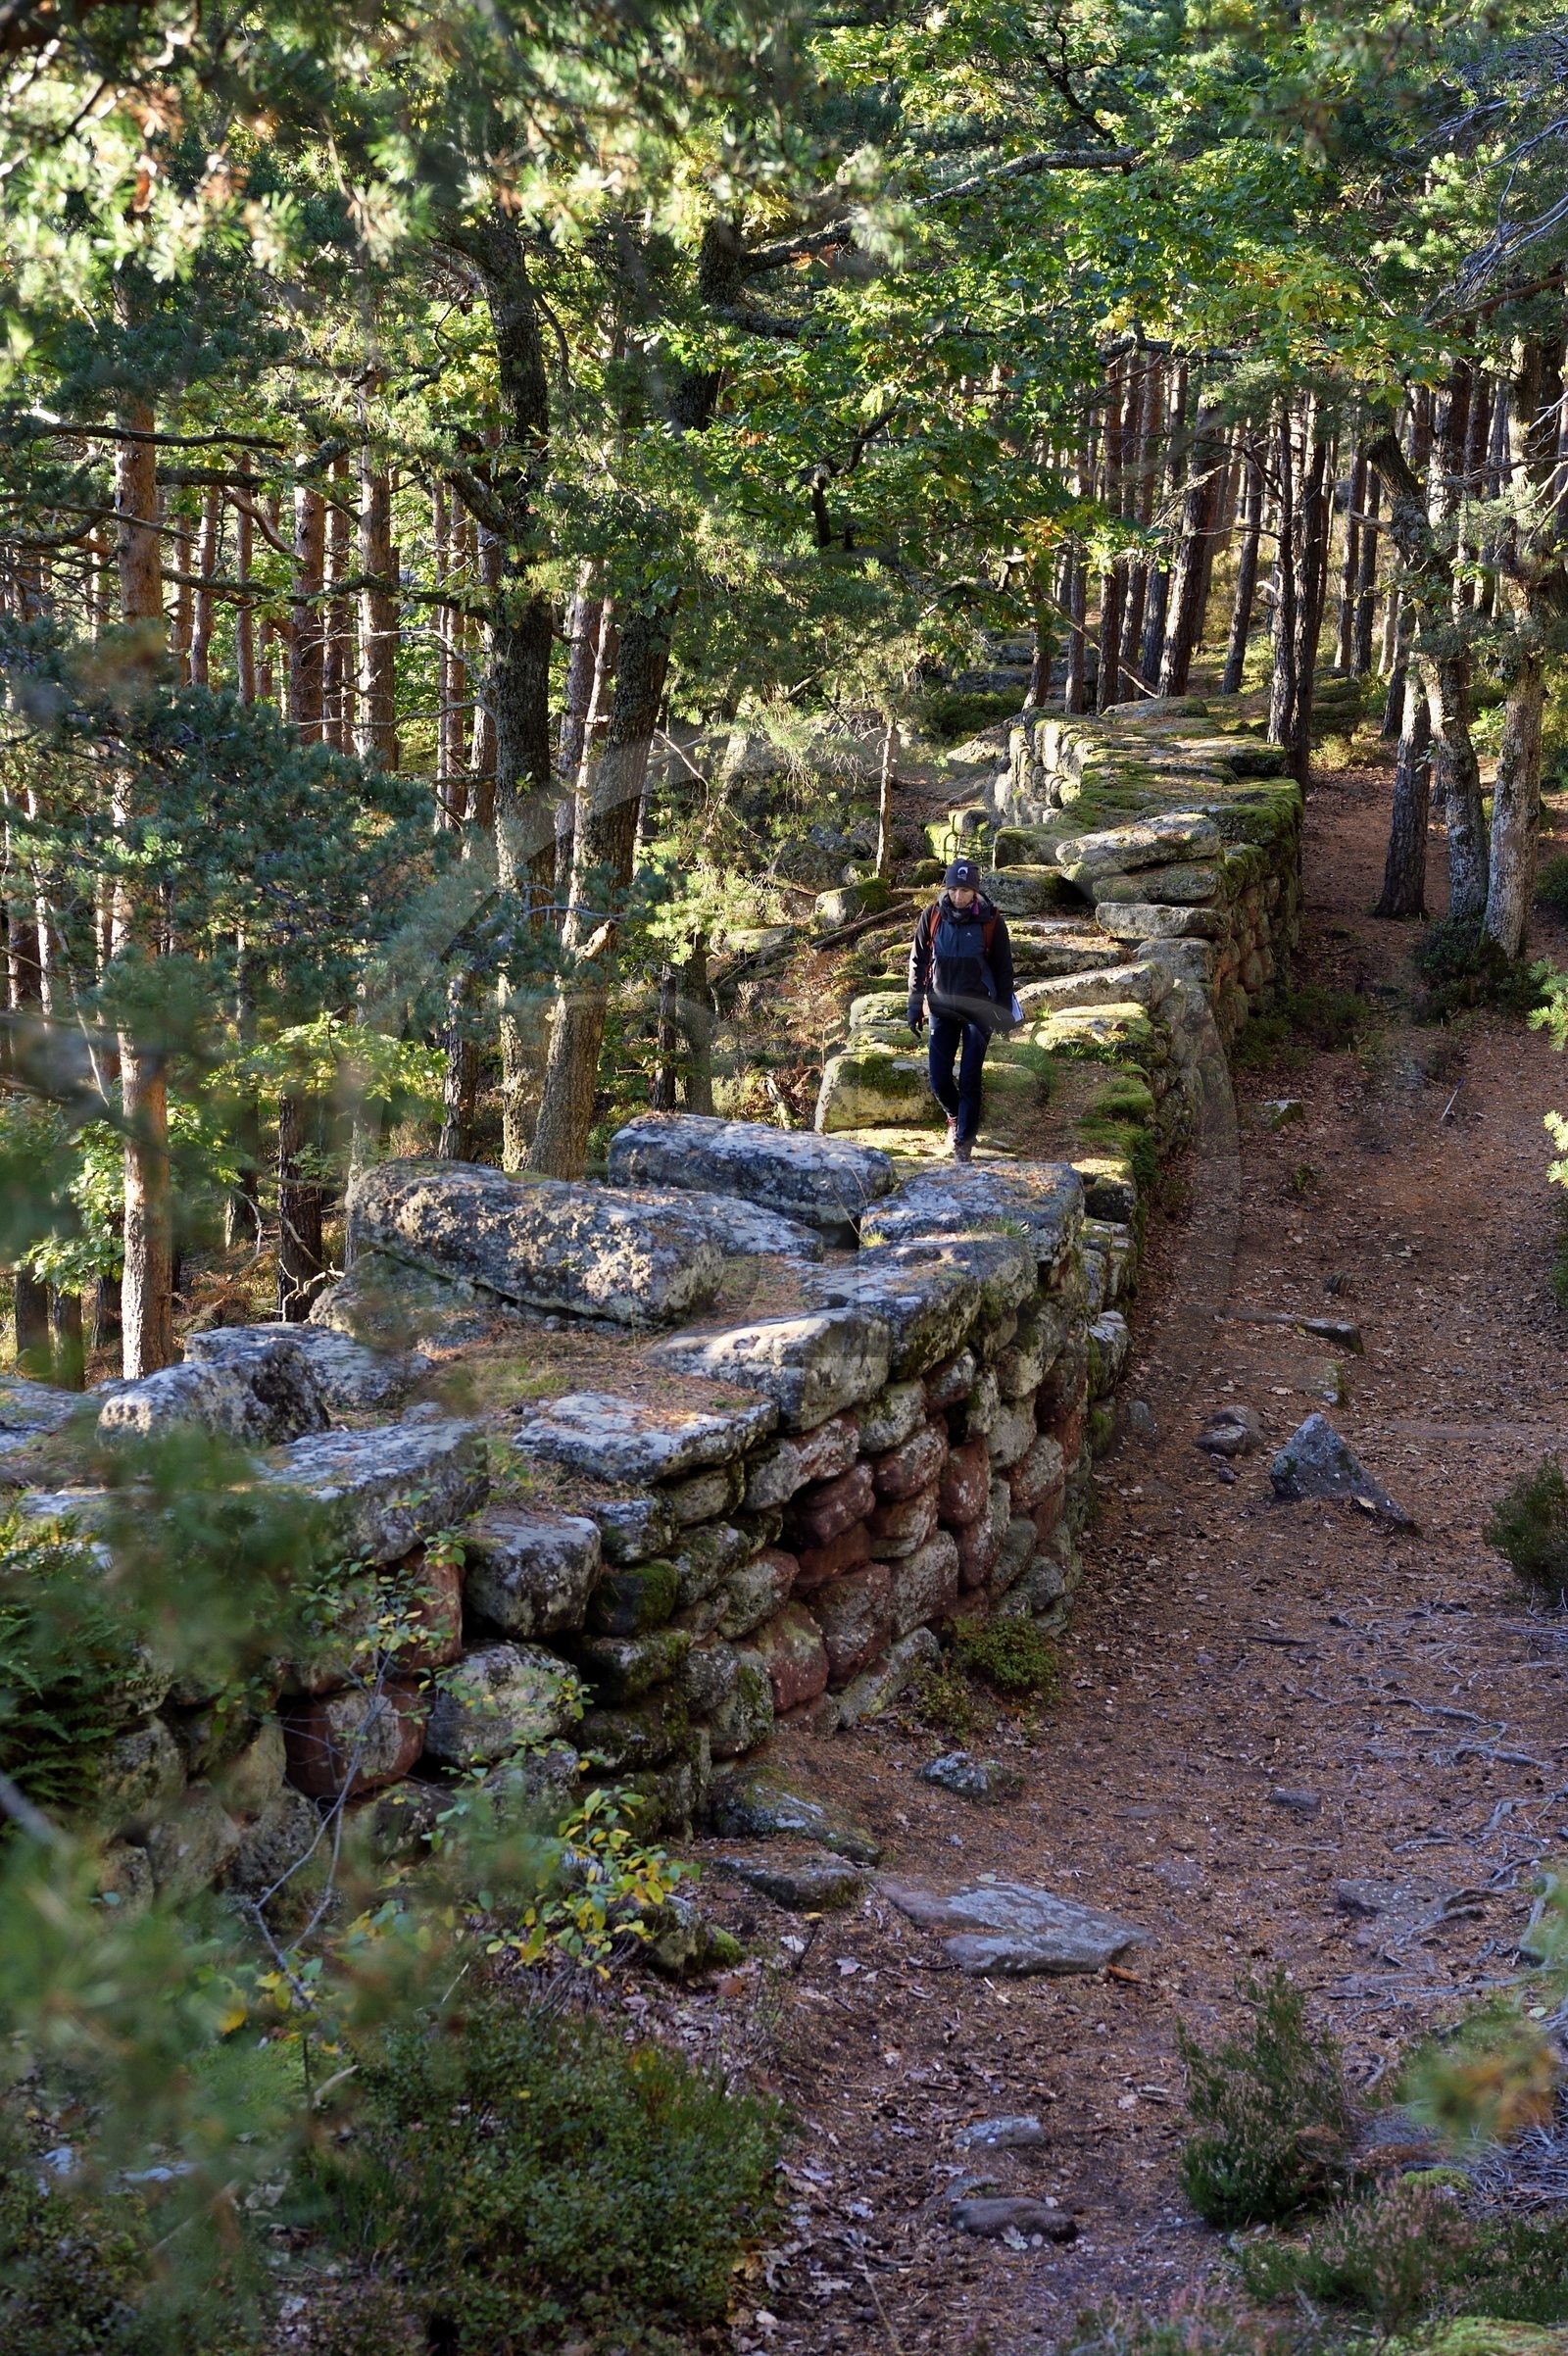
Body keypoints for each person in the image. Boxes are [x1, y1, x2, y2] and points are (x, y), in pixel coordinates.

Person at [906, 856, 1016, 1161]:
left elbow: (1004, 970)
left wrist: (1004, 1013)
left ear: (976, 892)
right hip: (941, 1008)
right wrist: (914, 1007)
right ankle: (955, 1117)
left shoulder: (991, 921)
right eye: (954, 889)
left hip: (978, 1012)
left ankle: (963, 1145)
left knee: (970, 1078)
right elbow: (917, 962)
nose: (958, 896)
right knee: (939, 1080)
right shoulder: (932, 916)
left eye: (965, 891)